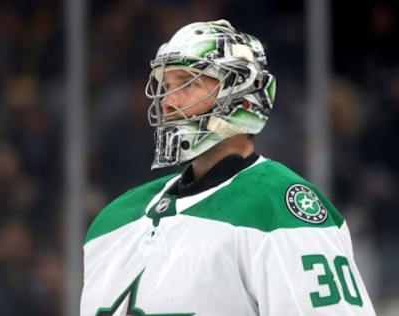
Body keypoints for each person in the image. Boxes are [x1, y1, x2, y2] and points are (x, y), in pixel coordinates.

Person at [80, 19, 376, 315]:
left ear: (244, 100)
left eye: (189, 83)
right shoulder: (113, 222)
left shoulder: (279, 210)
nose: (168, 102)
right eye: (166, 85)